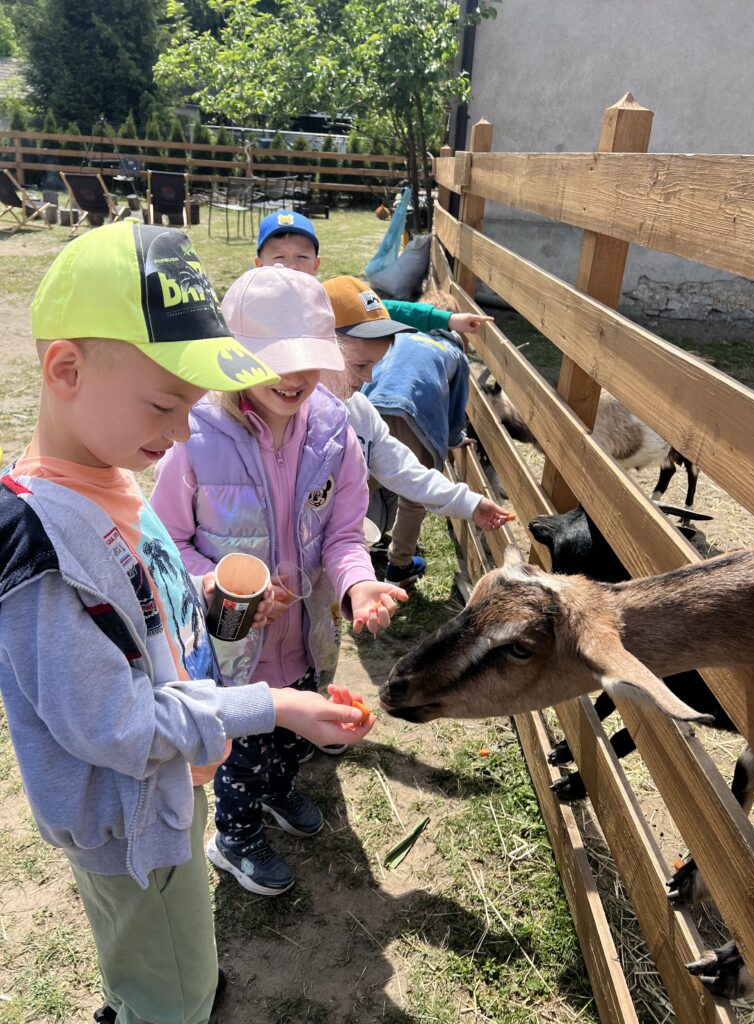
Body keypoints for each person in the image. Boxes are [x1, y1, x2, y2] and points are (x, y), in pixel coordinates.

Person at [0, 222, 374, 1024]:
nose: (178, 436)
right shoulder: (41, 550)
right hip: (131, 820)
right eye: (167, 404)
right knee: (170, 988)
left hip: (171, 787)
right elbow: (120, 726)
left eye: (192, 408)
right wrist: (273, 706)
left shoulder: (113, 474)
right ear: (64, 368)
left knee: (160, 956)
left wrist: (212, 609)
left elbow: (152, 613)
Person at [150, 266, 407, 897]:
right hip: (232, 647)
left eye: (307, 360)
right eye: (272, 360)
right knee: (240, 753)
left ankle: (279, 792)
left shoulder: (334, 433)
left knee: (293, 735)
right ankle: (234, 838)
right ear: (234, 357)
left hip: (306, 635)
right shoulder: (195, 437)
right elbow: (163, 544)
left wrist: (358, 585)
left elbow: (345, 533)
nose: (293, 378)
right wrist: (211, 583)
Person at [253, 212, 512, 585]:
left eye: (302, 257)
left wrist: (468, 503)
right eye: (360, 364)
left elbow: (403, 467)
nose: (369, 377)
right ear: (318, 343)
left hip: (320, 578)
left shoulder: (356, 413)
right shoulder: (267, 404)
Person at [361, 288, 476, 583]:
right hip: (415, 417)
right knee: (413, 496)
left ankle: (335, 546)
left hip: (370, 408)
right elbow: (456, 406)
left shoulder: (397, 336)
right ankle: (399, 565)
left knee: (358, 483)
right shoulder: (454, 353)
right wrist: (453, 438)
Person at [254, 208, 492, 338]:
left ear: (316, 264)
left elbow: (387, 309)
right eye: (279, 258)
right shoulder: (248, 309)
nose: (291, 266)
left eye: (301, 257)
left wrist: (447, 319)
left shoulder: (328, 301)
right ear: (258, 264)